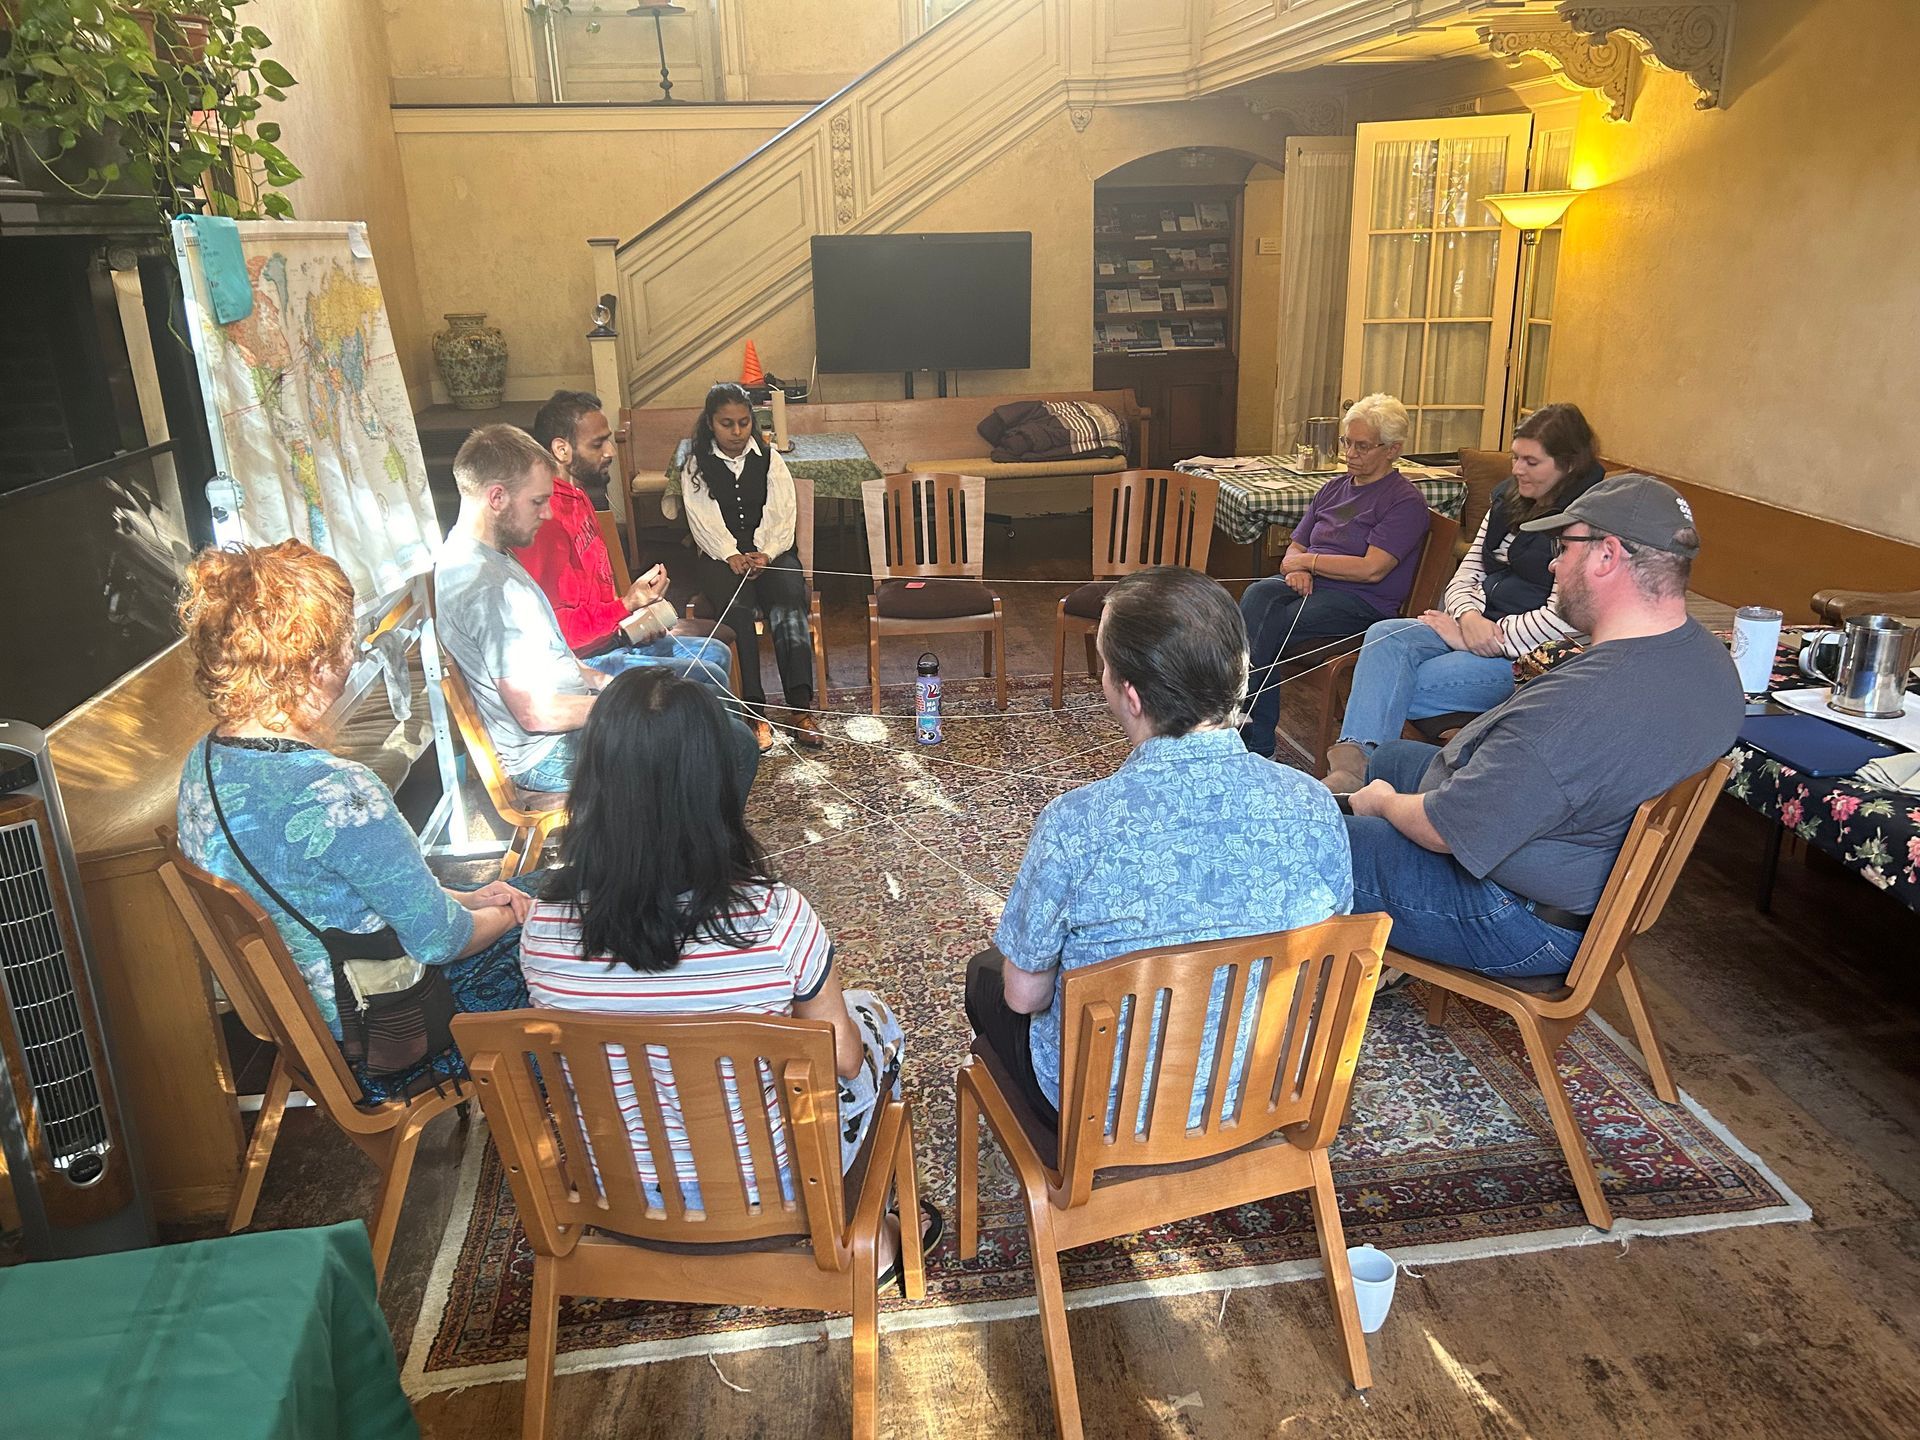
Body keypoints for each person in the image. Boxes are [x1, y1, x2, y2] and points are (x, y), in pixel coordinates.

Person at [519, 667, 934, 1276]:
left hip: (619, 1193)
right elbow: (842, 1062)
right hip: (774, 1195)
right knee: (874, 1025)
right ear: (716, 786)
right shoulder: (773, 918)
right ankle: (858, 1238)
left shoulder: (543, 930)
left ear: (593, 781)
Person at [966, 565, 1352, 1131]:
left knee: (988, 976)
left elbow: (1025, 998)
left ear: (1129, 694)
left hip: (1107, 1118)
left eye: (1103, 663)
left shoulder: (1075, 825)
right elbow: (1328, 945)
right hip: (1263, 1093)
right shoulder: (1314, 805)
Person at [1344, 475, 1744, 980]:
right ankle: (1388, 924)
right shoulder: (1708, 658)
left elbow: (1443, 830)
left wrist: (1379, 802)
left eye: (1564, 546)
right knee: (1391, 760)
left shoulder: (1577, 710)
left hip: (1523, 922)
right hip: (1583, 881)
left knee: (1311, 837)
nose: (1554, 563)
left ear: (1607, 555)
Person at [174, 540, 530, 1101]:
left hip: (308, 1028)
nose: (352, 661)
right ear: (315, 667)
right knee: (565, 927)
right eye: (349, 648)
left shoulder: (204, 763)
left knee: (516, 896)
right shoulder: (339, 793)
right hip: (389, 1036)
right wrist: (512, 914)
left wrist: (475, 898)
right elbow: (441, 941)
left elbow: (366, 894)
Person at [434, 422, 760, 799]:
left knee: (708, 710)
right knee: (733, 745)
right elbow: (537, 713)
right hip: (549, 752)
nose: (546, 514)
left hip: (568, 720)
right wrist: (634, 703)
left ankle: (686, 834)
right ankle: (691, 850)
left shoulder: (488, 556)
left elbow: (555, 660)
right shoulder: (484, 585)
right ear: (496, 498)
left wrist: (608, 683)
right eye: (538, 502)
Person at [1323, 402, 1607, 792]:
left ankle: (1375, 776)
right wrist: (1469, 620)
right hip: (1477, 626)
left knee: (1401, 683)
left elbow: (1563, 620)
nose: (1517, 469)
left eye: (1531, 462)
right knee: (1387, 635)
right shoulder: (1509, 496)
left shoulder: (1587, 519)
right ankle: (1355, 765)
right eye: (1514, 457)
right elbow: (1467, 573)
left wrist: (1482, 638)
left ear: (1569, 464)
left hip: (1534, 658)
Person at [1239, 393, 1434, 759]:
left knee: (1265, 625)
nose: (1350, 453)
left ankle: (1249, 735)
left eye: (1362, 446)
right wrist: (1299, 567)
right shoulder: (1332, 488)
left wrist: (1309, 564)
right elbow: (1291, 553)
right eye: (1347, 442)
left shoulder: (1403, 501)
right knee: (1256, 596)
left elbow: (1371, 569)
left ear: (1393, 450)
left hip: (1362, 604)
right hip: (1311, 586)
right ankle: (1254, 739)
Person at [514, 389, 732, 691]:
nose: (611, 452)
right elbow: (559, 632)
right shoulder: (545, 522)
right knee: (708, 675)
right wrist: (627, 605)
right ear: (562, 450)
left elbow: (597, 598)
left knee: (716, 653)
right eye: (597, 443)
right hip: (584, 664)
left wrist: (637, 617)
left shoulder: (577, 496)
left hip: (612, 639)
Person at [679, 382, 825, 750]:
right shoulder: (697, 463)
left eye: (744, 423)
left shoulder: (768, 457)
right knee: (738, 613)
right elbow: (703, 518)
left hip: (770, 551)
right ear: (711, 423)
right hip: (720, 557)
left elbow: (782, 510)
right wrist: (730, 552)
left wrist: (767, 552)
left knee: (790, 598)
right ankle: (754, 713)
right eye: (727, 423)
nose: (737, 432)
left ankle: (799, 708)